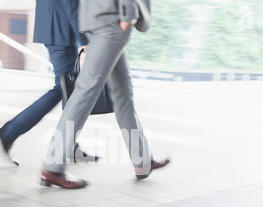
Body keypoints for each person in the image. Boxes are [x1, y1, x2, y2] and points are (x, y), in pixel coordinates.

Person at [40, 0, 170, 189]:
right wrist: (128, 15)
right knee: (84, 92)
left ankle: (143, 161)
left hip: (98, 20)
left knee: (122, 94)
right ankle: (52, 166)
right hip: (111, 21)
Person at [0, 0, 99, 165]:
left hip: (54, 28)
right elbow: (70, 3)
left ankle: (69, 145)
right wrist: (84, 39)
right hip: (61, 31)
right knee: (63, 88)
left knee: (68, 90)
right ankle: (10, 131)